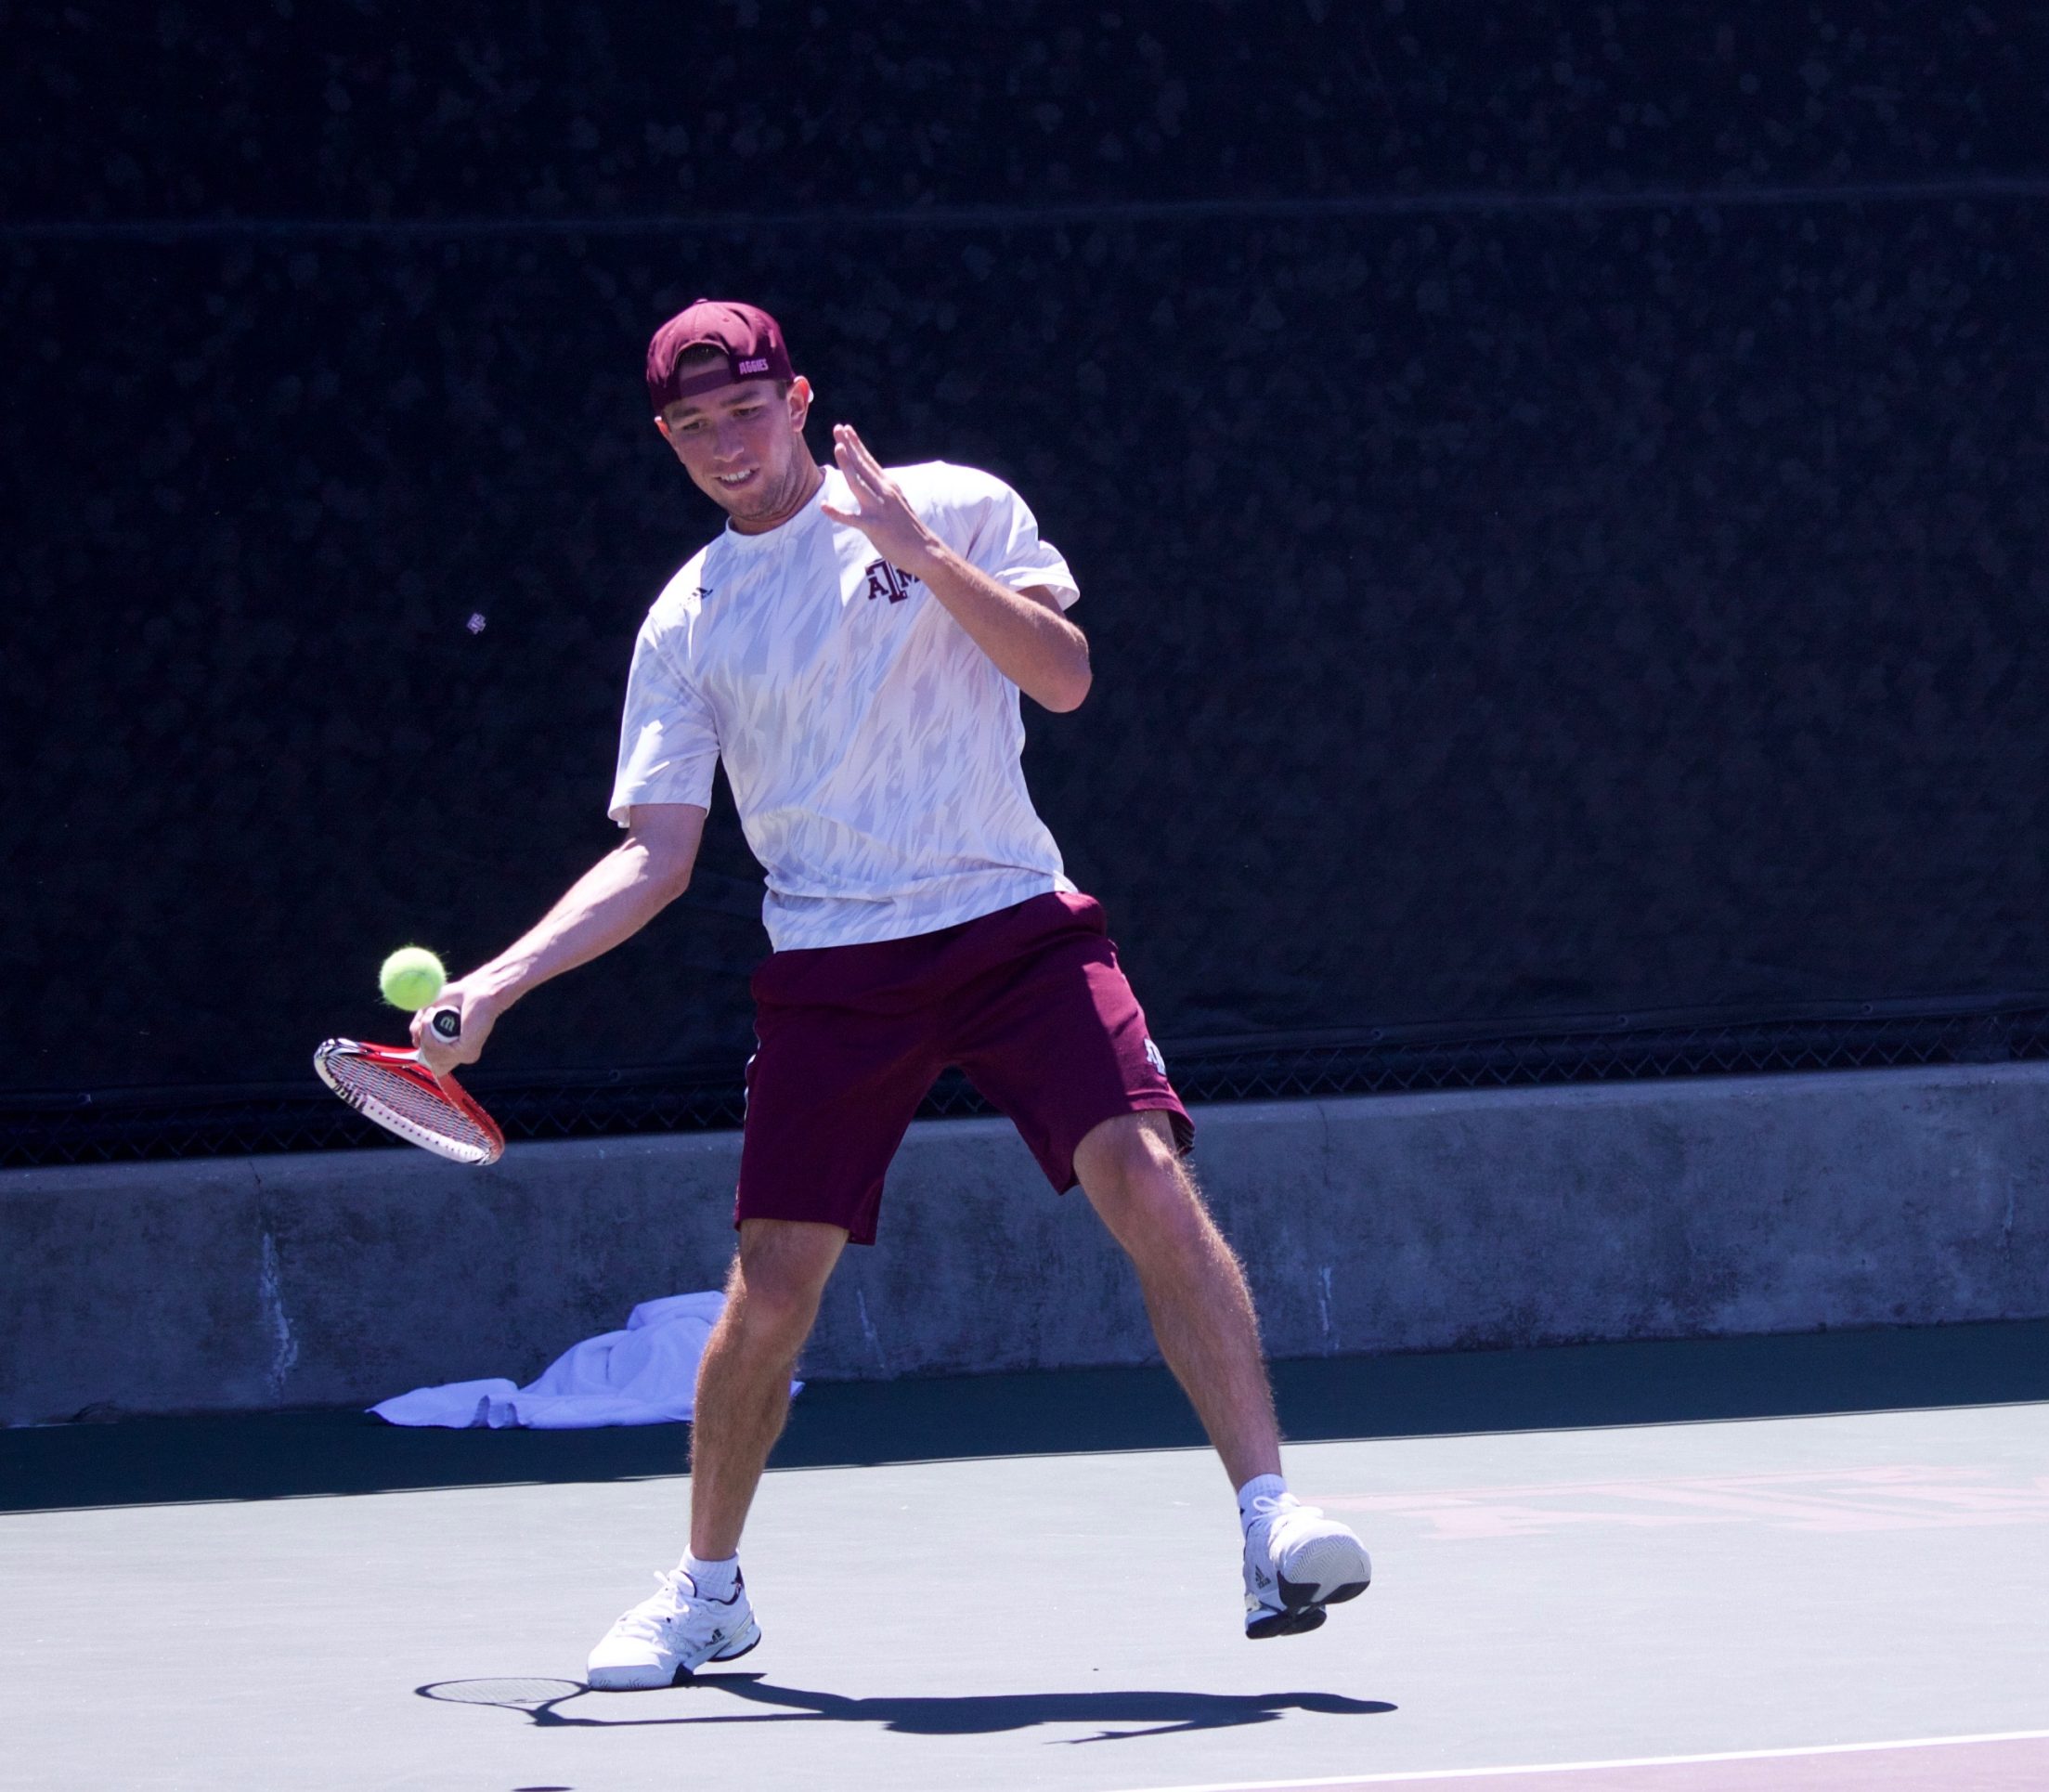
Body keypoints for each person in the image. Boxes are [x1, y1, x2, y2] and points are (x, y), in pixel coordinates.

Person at [414, 298, 1371, 1691]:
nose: (727, 446)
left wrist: (919, 558)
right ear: (667, 440)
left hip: (1013, 927)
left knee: (1147, 1176)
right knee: (774, 1283)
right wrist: (499, 984)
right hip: (832, 972)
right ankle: (709, 1592)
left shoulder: (951, 505)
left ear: (799, 399)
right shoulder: (687, 621)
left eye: (746, 413)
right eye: (694, 428)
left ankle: (1270, 1520)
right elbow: (657, 853)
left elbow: (1066, 678)